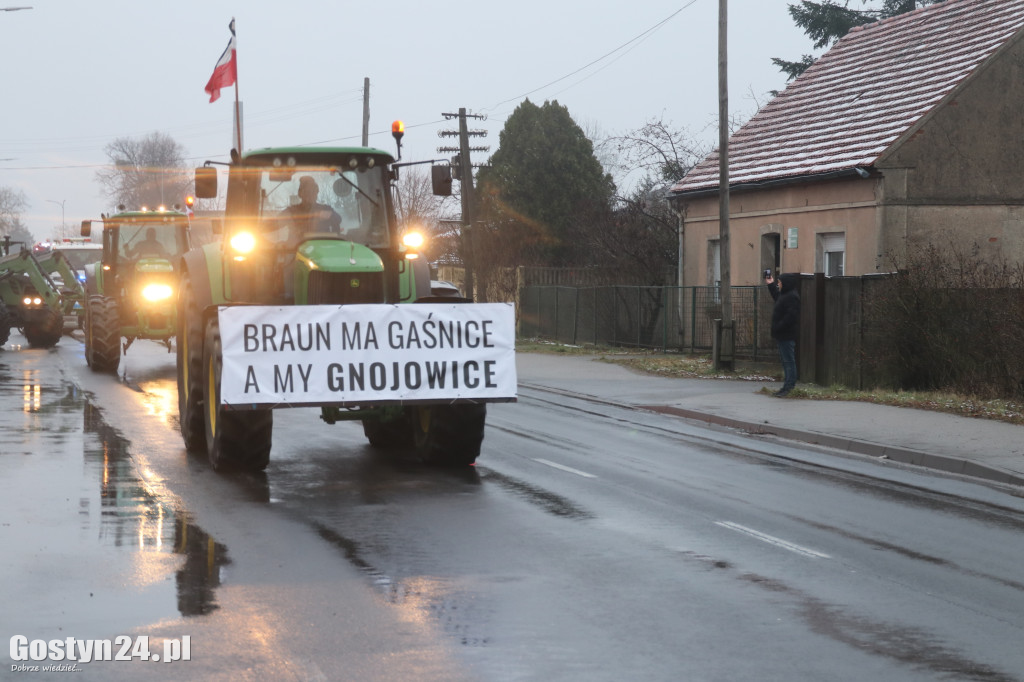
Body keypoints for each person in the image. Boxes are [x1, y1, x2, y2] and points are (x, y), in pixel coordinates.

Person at [765, 272, 800, 397]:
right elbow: (777, 296)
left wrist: (778, 326)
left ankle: (789, 387)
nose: (778, 284)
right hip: (781, 334)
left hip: (786, 334)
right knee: (786, 361)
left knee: (789, 361)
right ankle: (786, 386)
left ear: (786, 283)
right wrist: (771, 284)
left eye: (780, 282)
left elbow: (791, 317)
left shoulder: (792, 297)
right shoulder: (785, 295)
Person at [279, 175, 341, 243]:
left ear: (316, 193)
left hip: (322, 250)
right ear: (300, 194)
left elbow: (338, 219)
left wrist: (331, 215)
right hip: (295, 250)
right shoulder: (291, 212)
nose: (310, 195)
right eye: (307, 192)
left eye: (313, 192)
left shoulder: (325, 209)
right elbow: (273, 224)